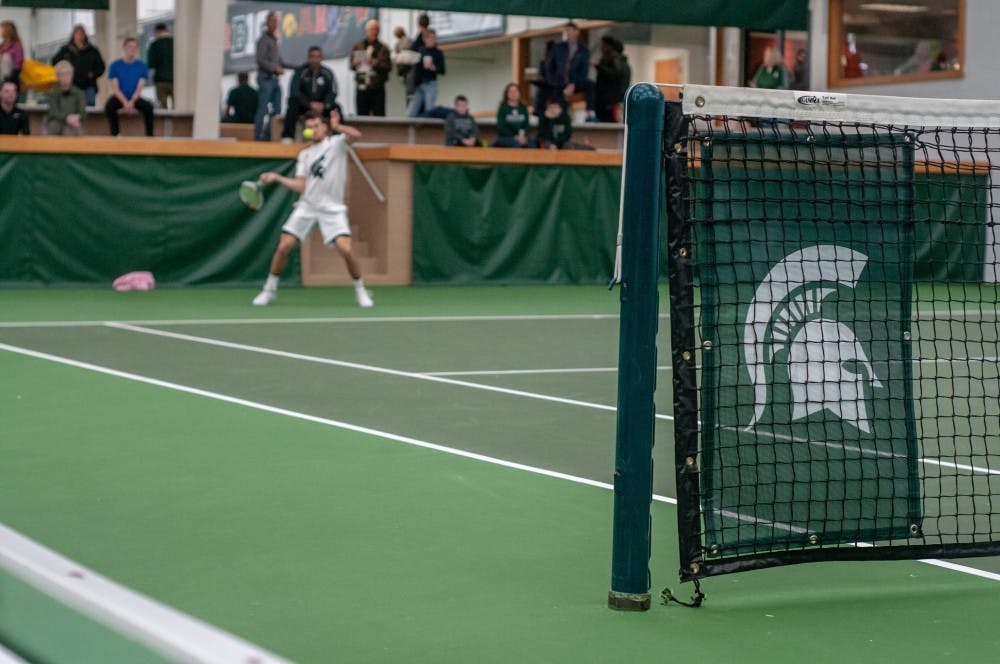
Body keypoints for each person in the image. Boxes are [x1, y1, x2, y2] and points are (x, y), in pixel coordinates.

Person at [252, 108, 373, 309]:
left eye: (316, 126)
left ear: (324, 127)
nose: (313, 130)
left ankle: (361, 290)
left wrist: (338, 127)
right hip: (307, 206)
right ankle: (269, 291)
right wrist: (277, 178)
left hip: (333, 209)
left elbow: (356, 135)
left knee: (346, 249)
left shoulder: (337, 144)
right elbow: (301, 186)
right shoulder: (305, 155)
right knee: (283, 247)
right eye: (309, 128)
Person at [281, 46, 338, 143]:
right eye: (313, 56)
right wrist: (309, 104)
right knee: (292, 103)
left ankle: (338, 138)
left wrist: (324, 104)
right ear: (308, 58)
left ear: (321, 58)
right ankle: (287, 137)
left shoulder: (327, 73)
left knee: (336, 108)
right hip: (304, 106)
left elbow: (333, 92)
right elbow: (294, 91)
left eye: (318, 57)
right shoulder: (300, 72)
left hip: (322, 106)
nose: (315, 59)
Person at [254, 11, 294, 141]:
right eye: (271, 21)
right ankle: (258, 138)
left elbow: (280, 62)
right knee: (263, 110)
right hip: (266, 79)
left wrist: (299, 66)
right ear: (266, 23)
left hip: (275, 81)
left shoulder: (274, 40)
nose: (274, 24)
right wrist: (275, 68)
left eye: (276, 21)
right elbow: (260, 59)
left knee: (277, 111)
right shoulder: (263, 40)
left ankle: (270, 137)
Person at [544, 22, 596, 121]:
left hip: (576, 81)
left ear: (577, 32)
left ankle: (590, 113)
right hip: (559, 82)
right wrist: (553, 80)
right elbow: (550, 67)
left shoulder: (583, 50)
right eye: (566, 30)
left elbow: (584, 71)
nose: (568, 33)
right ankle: (557, 116)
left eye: (570, 30)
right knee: (549, 90)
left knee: (590, 85)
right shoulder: (558, 48)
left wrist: (574, 84)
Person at [105, 37, 154, 137]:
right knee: (109, 106)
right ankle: (116, 134)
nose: (132, 49)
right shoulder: (115, 65)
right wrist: (125, 103)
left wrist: (131, 102)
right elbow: (115, 89)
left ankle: (149, 136)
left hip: (135, 98)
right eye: (130, 47)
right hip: (120, 97)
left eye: (135, 47)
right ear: (124, 48)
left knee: (149, 107)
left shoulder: (142, 66)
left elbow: (140, 87)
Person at [51, 25, 105, 107]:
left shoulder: (93, 50)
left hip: (88, 86)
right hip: (70, 86)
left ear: (85, 35)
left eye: (81, 34)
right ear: (73, 35)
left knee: (89, 110)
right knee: (70, 108)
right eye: (77, 34)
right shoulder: (65, 50)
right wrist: (62, 75)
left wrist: (93, 74)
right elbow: (54, 62)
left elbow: (101, 67)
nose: (79, 36)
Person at [350, 19, 392, 117]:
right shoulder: (358, 46)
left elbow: (388, 67)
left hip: (377, 87)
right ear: (366, 31)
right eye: (372, 29)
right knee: (361, 115)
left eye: (376, 29)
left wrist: (373, 62)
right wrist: (354, 63)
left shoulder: (383, 48)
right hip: (362, 85)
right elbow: (351, 66)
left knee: (379, 116)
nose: (374, 32)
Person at [407, 29, 444, 118]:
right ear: (425, 39)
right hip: (419, 85)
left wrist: (433, 67)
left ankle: (429, 130)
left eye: (434, 38)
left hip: (430, 83)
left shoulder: (438, 53)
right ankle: (410, 131)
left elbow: (442, 70)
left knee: (429, 110)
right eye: (430, 38)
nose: (433, 40)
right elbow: (414, 66)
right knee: (412, 112)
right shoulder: (420, 51)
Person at [45, 61, 86, 135]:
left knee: (72, 130)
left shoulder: (79, 93)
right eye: (62, 74)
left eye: (68, 74)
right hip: (56, 123)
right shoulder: (52, 93)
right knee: (54, 127)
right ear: (57, 77)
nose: (65, 77)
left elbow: (82, 112)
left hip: (73, 123)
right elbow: (54, 112)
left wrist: (77, 117)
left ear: (72, 75)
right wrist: (67, 118)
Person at [593, 35, 626, 123]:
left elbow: (614, 74)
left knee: (609, 120)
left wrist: (598, 66)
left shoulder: (614, 58)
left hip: (610, 98)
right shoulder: (605, 58)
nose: (601, 47)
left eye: (603, 45)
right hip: (602, 97)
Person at [493, 83, 534, 148]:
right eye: (511, 91)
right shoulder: (503, 108)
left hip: (521, 137)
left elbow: (526, 125)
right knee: (517, 145)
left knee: (532, 145)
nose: (513, 93)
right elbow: (501, 127)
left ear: (519, 93)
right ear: (507, 94)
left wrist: (522, 136)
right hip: (506, 137)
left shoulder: (523, 108)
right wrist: (515, 137)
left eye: (515, 91)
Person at [146, 22, 174, 109]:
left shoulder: (154, 45)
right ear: (166, 30)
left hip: (161, 80)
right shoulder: (175, 43)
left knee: (163, 107)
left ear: (157, 32)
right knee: (178, 107)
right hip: (176, 80)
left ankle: (165, 123)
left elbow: (151, 64)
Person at [0, 21, 24, 92]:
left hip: (10, 78)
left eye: (1, 28)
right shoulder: (2, 46)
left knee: (5, 57)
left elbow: (18, 63)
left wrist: (9, 78)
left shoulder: (16, 45)